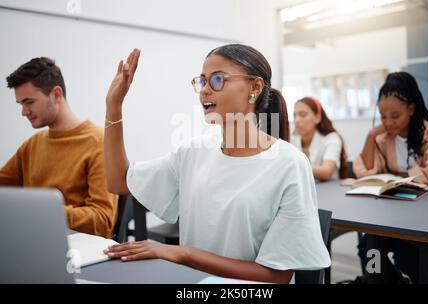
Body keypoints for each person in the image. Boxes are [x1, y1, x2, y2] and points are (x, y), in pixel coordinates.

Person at [102, 45, 330, 283]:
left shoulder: (290, 164)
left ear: (254, 87)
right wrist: (113, 105)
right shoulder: (193, 152)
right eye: (202, 82)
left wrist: (183, 253)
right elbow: (119, 181)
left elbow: (276, 276)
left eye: (218, 80)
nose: (204, 91)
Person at [349, 71, 428, 284]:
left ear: (411, 109)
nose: (388, 122)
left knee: (408, 255)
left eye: (395, 116)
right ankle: (396, 282)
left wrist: (400, 176)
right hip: (393, 214)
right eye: (383, 116)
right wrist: (370, 136)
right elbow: (364, 170)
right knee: (369, 250)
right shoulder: (384, 137)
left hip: (426, 217)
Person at [0, 57, 118, 238]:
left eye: (29, 102)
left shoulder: (98, 142)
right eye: (21, 104)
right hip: (33, 240)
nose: (24, 112)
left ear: (56, 94)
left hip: (76, 249)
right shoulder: (32, 145)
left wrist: (42, 213)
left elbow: (103, 221)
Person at [292, 97, 348, 180]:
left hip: (329, 189)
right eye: (295, 116)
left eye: (302, 115)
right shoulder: (294, 139)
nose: (296, 120)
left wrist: (292, 165)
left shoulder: (331, 138)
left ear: (317, 118)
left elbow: (326, 172)